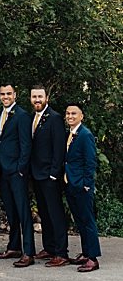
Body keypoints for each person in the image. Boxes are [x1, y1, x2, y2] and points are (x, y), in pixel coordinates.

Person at [29, 85, 70, 266]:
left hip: (49, 175)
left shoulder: (55, 118)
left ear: (46, 98)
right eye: (34, 97)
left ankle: (62, 252)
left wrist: (55, 173)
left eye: (40, 96)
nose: (37, 99)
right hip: (36, 175)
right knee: (44, 213)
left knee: (56, 214)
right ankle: (49, 247)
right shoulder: (31, 118)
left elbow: (59, 148)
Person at [0, 83, 34, 265]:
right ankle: (14, 247)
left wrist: (20, 169)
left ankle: (29, 252)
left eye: (8, 94)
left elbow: (26, 146)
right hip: (3, 171)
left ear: (15, 95)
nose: (5, 97)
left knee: (23, 211)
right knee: (11, 211)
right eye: (2, 94)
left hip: (17, 172)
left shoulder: (22, 116)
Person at [63, 102, 100, 272]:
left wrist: (86, 184)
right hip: (71, 184)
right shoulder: (70, 134)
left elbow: (90, 161)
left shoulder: (85, 135)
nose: (70, 116)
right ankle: (85, 253)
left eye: (74, 114)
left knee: (88, 221)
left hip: (82, 186)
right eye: (68, 113)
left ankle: (92, 258)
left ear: (81, 116)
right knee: (80, 221)